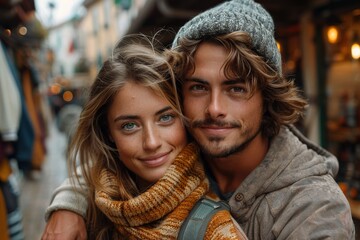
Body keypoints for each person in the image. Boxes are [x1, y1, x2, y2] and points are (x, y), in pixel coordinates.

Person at [42, 0, 355, 239]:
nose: (214, 108)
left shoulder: (314, 207)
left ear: (267, 96)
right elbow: (111, 165)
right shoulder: (185, 146)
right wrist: (72, 201)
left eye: (235, 88)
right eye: (198, 88)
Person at [41, 34, 246, 239]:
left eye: (165, 118)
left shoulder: (216, 230)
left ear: (184, 119)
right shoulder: (91, 209)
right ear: (108, 132)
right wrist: (70, 201)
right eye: (130, 126)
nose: (152, 142)